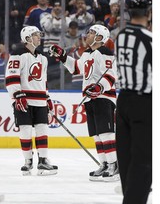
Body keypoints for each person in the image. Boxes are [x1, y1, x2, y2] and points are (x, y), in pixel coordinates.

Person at [49, 24, 119, 181]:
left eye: (91, 33)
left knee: (106, 132)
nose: (87, 35)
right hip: (89, 98)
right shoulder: (87, 53)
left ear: (99, 38)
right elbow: (76, 68)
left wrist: (99, 87)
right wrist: (62, 56)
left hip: (103, 98)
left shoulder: (105, 52)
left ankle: (114, 166)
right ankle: (104, 164)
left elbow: (111, 75)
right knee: (96, 134)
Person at [5, 26, 58, 176]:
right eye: (36, 35)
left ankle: (43, 161)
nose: (39, 37)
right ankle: (28, 161)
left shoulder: (43, 58)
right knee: (25, 130)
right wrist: (17, 95)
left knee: (42, 129)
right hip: (24, 100)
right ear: (28, 38)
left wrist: (47, 97)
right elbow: (11, 77)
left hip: (40, 100)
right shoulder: (17, 55)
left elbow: (43, 81)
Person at [114, 0, 152, 204]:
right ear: (148, 13)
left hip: (124, 101)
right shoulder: (150, 39)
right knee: (144, 159)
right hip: (144, 102)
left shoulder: (121, 36)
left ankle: (129, 194)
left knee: (126, 157)